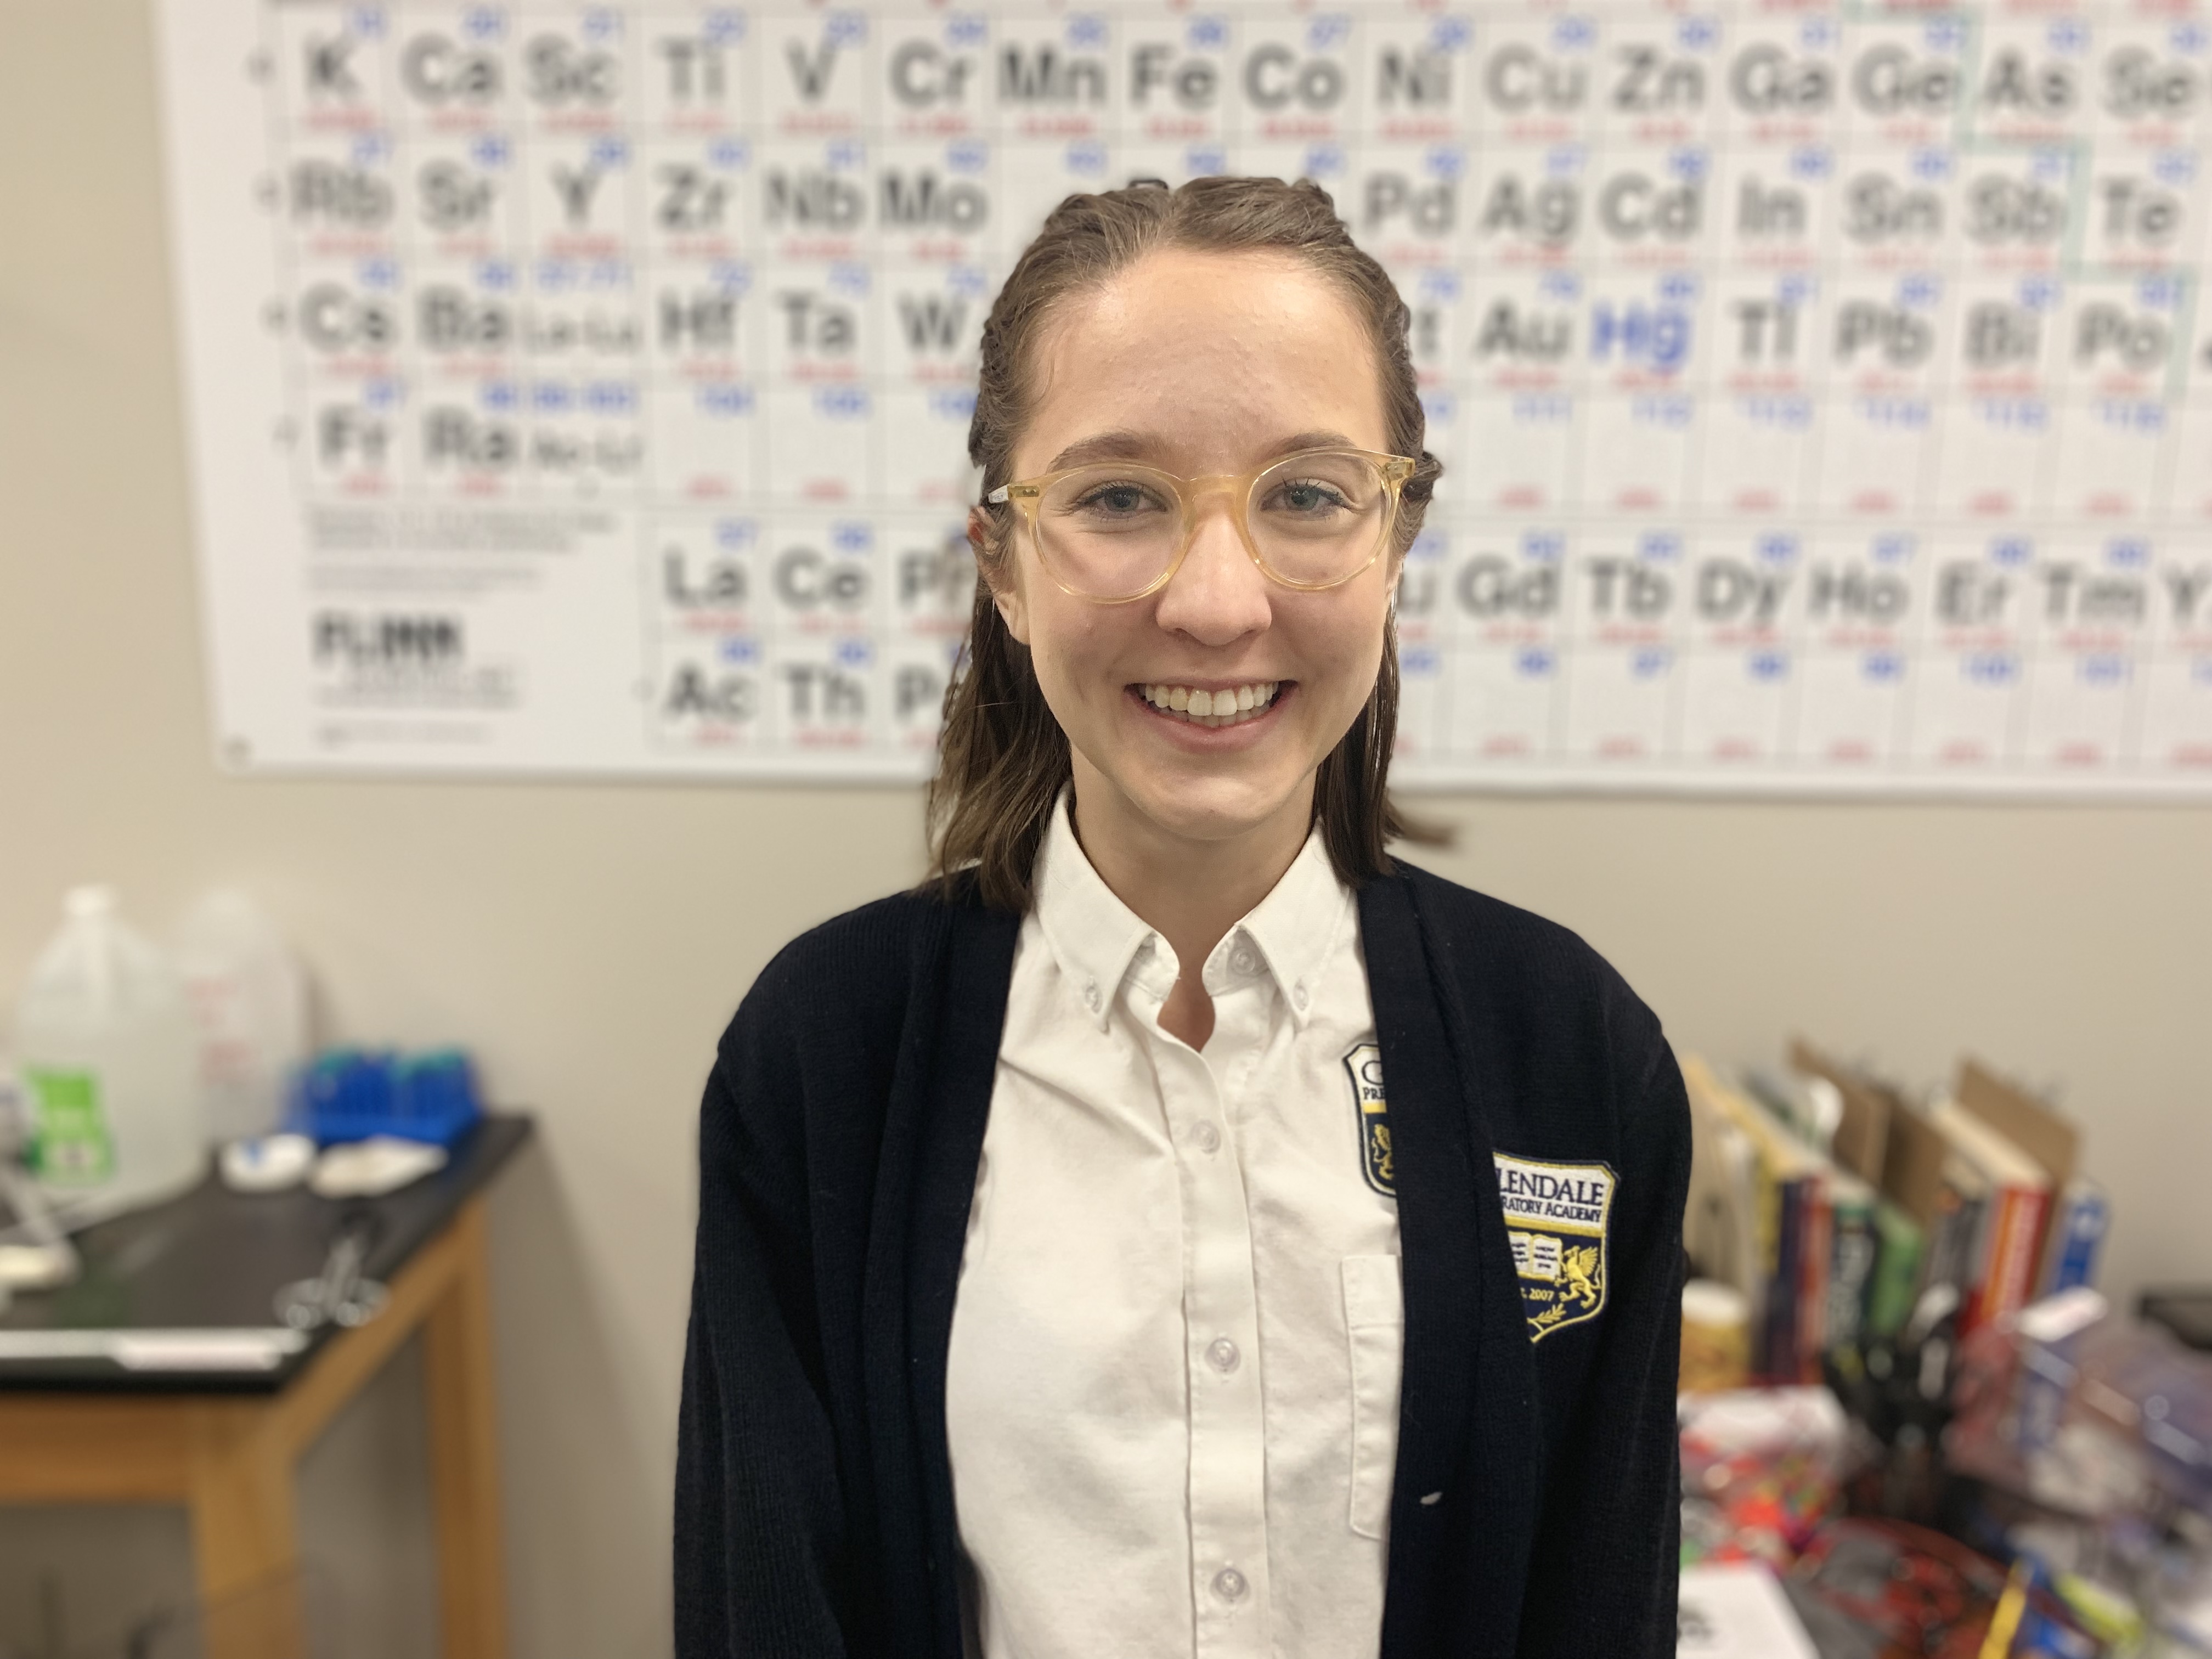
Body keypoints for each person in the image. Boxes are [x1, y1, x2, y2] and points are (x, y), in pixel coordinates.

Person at [675, 176, 1690, 1659]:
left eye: (1305, 495)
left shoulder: (1572, 1054)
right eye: (1117, 498)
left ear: (1395, 534)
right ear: (1003, 565)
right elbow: (762, 1614)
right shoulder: (826, 1059)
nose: (1218, 602)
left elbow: (1601, 1609)